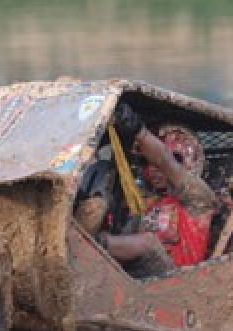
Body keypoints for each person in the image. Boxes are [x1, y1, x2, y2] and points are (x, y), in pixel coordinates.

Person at [94, 104, 219, 277]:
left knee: (148, 242)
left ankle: (93, 245)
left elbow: (164, 161)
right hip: (135, 279)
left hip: (178, 279)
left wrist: (138, 131)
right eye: (146, 163)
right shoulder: (142, 202)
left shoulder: (199, 198)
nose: (153, 170)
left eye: (156, 164)